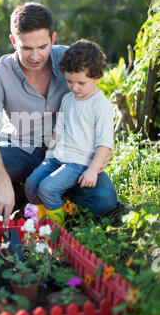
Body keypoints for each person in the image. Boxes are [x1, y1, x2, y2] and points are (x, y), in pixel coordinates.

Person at [0, 2, 117, 224]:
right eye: (26, 48)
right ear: (13, 41)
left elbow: (94, 99)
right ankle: (21, 193)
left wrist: (98, 152)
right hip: (19, 149)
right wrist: (1, 180)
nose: (35, 56)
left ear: (53, 38)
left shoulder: (69, 61)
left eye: (42, 47)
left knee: (104, 199)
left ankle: (50, 194)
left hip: (67, 154)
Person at [24, 39, 115, 224]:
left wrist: (92, 170)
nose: (74, 88)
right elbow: (59, 131)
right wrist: (48, 157)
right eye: (69, 82)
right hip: (57, 157)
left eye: (81, 83)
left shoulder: (101, 105)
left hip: (79, 162)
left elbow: (105, 144)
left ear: (97, 76)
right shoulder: (68, 99)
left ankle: (55, 231)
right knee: (32, 184)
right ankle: (40, 219)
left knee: (48, 189)